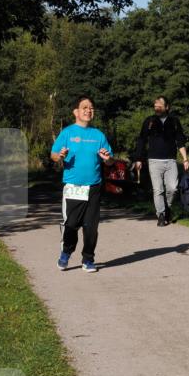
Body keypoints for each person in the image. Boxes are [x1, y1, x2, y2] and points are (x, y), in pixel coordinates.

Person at [50, 96, 114, 273]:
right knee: (71, 224)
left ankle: (88, 259)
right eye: (84, 107)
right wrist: (59, 156)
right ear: (76, 112)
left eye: (91, 108)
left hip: (94, 187)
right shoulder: (67, 133)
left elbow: (110, 161)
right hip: (73, 187)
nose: (88, 110)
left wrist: (108, 159)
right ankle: (66, 252)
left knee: (91, 226)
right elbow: (54, 155)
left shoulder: (98, 135)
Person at [134, 96, 189, 226]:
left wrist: (185, 159)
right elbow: (142, 140)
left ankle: (167, 208)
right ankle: (161, 214)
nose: (157, 108)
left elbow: (180, 141)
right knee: (158, 190)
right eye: (155, 106)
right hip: (154, 161)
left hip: (171, 161)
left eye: (159, 105)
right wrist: (138, 158)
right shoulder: (149, 121)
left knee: (173, 188)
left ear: (167, 107)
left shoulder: (174, 122)